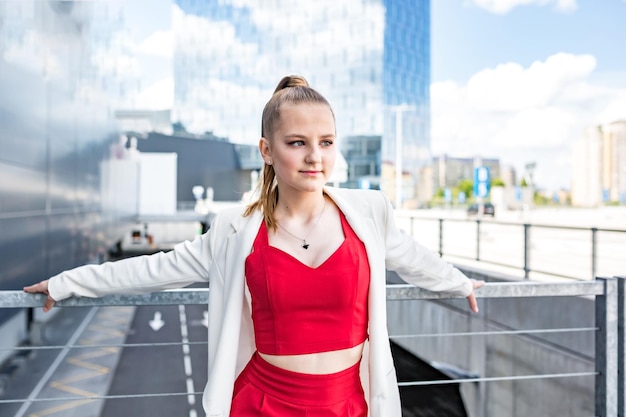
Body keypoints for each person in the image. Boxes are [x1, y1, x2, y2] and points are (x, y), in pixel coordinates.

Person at [24, 75, 484, 417]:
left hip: (351, 403)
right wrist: (66, 284)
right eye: (297, 142)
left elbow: (410, 256)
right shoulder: (234, 230)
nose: (314, 157)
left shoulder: (368, 213)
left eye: (325, 142)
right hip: (265, 404)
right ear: (267, 150)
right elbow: (149, 269)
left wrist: (458, 281)